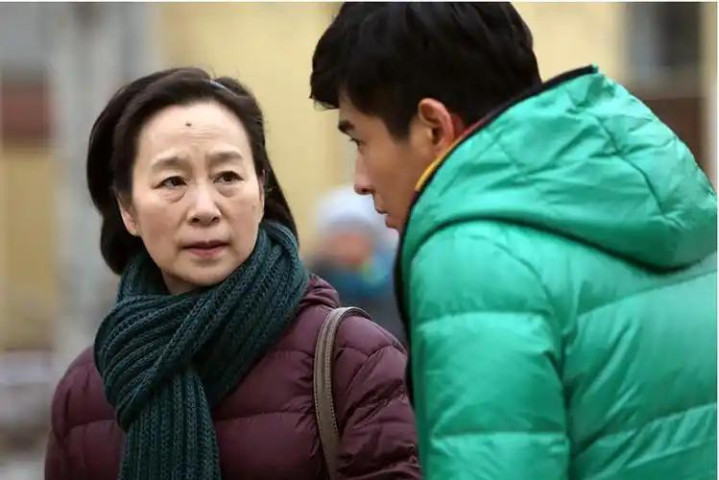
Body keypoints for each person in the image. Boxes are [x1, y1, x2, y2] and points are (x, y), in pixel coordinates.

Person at [310, 3, 717, 479]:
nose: (359, 181)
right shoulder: (664, 206)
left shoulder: (473, 255)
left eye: (360, 141)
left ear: (433, 127)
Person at [44, 67, 420, 480]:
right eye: (172, 181)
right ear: (128, 209)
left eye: (227, 177)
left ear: (260, 191)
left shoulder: (354, 363)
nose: (205, 209)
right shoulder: (85, 392)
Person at [309, 185, 406, 345]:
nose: (347, 244)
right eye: (340, 235)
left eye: (354, 234)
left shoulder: (393, 283)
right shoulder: (312, 284)